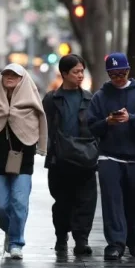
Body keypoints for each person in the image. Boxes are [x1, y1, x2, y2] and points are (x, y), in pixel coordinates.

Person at [0, 64, 48, 260]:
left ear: (23, 79)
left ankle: (16, 243)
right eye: (6, 74)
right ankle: (11, 229)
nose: (10, 77)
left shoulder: (31, 100)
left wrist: (42, 146)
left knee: (19, 202)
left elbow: (42, 121)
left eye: (15, 75)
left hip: (23, 157)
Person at [87, 52, 135, 261]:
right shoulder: (101, 96)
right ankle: (115, 243)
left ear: (128, 71)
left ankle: (134, 240)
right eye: (114, 74)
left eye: (122, 73)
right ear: (108, 74)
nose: (118, 77)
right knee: (112, 201)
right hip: (109, 157)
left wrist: (131, 118)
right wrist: (107, 122)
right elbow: (91, 127)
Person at [42, 54, 97, 256]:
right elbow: (43, 125)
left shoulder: (90, 99)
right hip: (60, 160)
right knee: (63, 201)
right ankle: (61, 237)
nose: (80, 75)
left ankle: (81, 240)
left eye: (82, 71)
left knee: (86, 200)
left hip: (85, 159)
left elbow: (96, 127)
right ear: (64, 74)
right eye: (76, 71)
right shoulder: (51, 99)